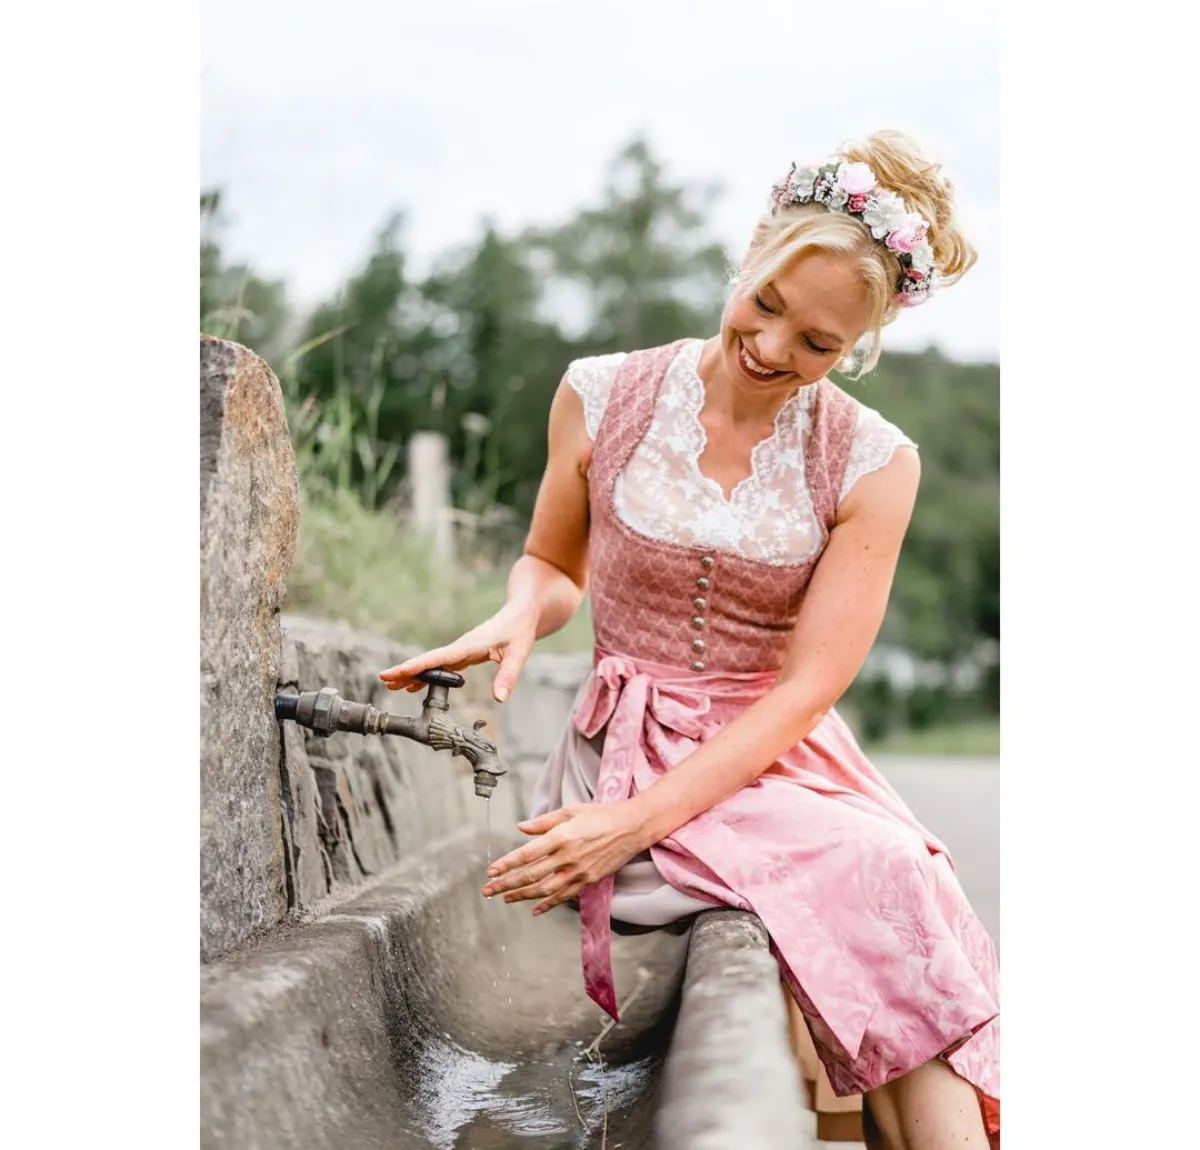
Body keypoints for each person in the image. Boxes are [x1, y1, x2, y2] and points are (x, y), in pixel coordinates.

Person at [380, 129, 1000, 1149]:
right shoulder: (599, 393)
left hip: (776, 758)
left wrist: (633, 830)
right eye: (766, 305)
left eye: (818, 345)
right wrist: (513, 613)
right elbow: (553, 567)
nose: (773, 349)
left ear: (860, 346)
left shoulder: (876, 461)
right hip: (627, 754)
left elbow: (806, 690)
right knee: (883, 876)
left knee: (895, 869)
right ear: (753, 247)